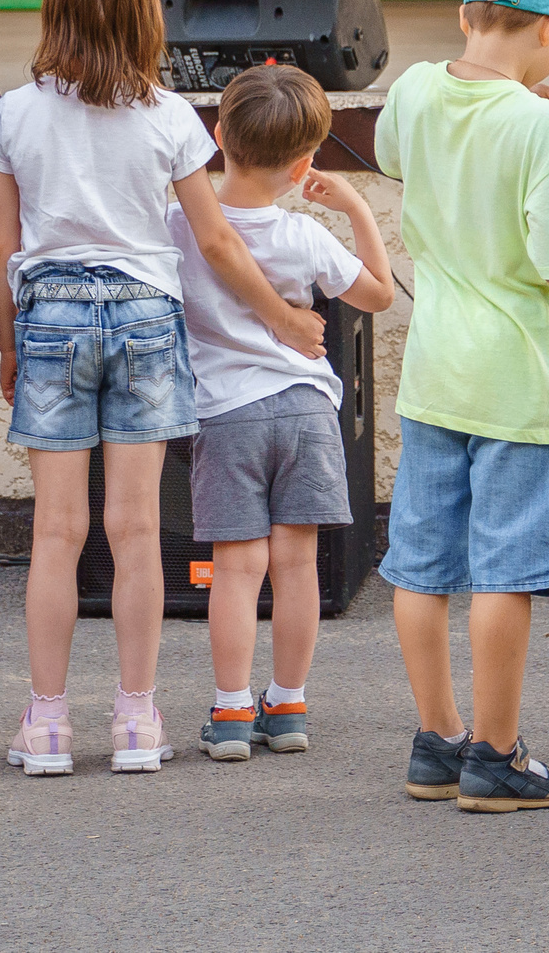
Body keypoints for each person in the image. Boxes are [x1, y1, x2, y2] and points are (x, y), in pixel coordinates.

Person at [0, 0, 327, 776]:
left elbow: (1, 245)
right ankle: (136, 719)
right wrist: (282, 316)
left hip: (51, 314)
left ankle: (50, 723)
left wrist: (9, 342)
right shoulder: (172, 117)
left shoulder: (12, 115)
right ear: (146, 12)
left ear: (55, 6)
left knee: (56, 532)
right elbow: (214, 242)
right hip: (142, 315)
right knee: (135, 528)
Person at [375, 0, 549, 812]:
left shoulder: (413, 90)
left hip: (434, 369)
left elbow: (398, 155)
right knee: (505, 568)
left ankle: (437, 740)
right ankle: (497, 756)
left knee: (421, 565)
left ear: (467, 16)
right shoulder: (543, 122)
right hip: (518, 375)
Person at [170, 65, 396, 764]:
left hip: (227, 413)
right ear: (303, 166)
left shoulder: (181, 223)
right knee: (298, 564)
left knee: (237, 569)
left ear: (216, 137)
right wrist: (356, 207)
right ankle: (289, 702)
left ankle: (233, 709)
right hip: (306, 412)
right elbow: (380, 295)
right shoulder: (305, 236)